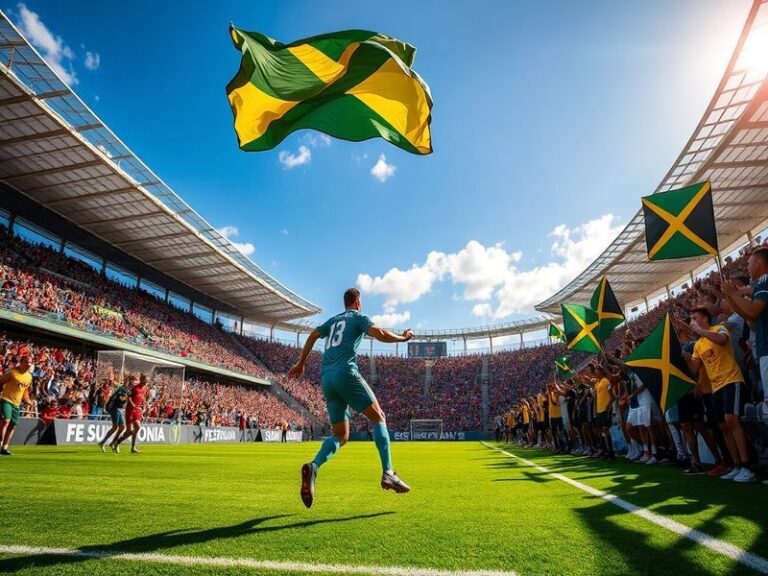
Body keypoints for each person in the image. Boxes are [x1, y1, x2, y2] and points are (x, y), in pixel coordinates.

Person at [288, 288, 414, 508]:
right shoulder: (358, 317)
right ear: (357, 302)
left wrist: (301, 363)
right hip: (345, 373)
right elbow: (380, 333)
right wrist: (403, 338)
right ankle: (388, 472)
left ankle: (314, 466)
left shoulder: (333, 320)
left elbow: (313, 335)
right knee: (378, 417)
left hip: (327, 379)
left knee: (341, 435)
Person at [678, 307, 755, 483]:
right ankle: (736, 465)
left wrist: (699, 331)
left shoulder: (719, 328)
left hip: (731, 379)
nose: (692, 321)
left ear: (705, 318)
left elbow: (722, 340)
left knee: (731, 420)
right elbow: (695, 369)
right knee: (722, 425)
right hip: (715, 387)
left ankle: (747, 466)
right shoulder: (698, 345)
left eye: (694, 317)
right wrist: (688, 359)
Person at [0, 349, 33, 455]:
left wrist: (28, 401)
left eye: (30, 362)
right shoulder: (12, 372)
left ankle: (5, 447)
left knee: (13, 425)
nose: (29, 364)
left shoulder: (29, 377)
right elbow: (1, 382)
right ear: (21, 362)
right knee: (6, 421)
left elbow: (25, 391)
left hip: (17, 404)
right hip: (6, 400)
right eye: (27, 362)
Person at [112, 374, 148, 454]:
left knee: (137, 427)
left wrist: (145, 405)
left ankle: (132, 447)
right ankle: (118, 442)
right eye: (145, 380)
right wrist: (132, 404)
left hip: (137, 410)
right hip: (130, 410)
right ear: (141, 380)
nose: (146, 382)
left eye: (147, 381)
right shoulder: (135, 388)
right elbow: (129, 397)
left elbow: (142, 397)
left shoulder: (145, 389)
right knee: (129, 431)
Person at [99, 384, 128, 453]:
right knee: (115, 427)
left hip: (119, 410)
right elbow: (119, 400)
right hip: (115, 410)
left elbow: (123, 402)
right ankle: (104, 442)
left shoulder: (123, 394)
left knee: (122, 426)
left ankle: (112, 442)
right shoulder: (119, 394)